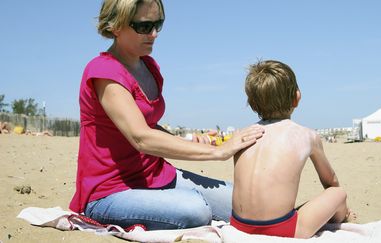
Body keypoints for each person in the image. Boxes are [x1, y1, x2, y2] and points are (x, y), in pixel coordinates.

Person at [69, 0, 265, 230]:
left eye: (158, 24)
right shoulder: (104, 71)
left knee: (243, 201)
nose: (153, 34)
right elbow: (141, 137)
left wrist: (189, 141)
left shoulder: (149, 67)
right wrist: (217, 151)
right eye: (143, 26)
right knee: (196, 210)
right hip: (109, 192)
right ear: (115, 26)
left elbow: (150, 126)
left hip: (156, 176)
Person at [231, 60, 352, 238]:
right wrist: (340, 208)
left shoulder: (244, 135)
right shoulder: (307, 136)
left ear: (252, 104)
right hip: (280, 230)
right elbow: (330, 181)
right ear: (297, 97)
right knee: (338, 193)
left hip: (239, 226)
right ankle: (343, 218)